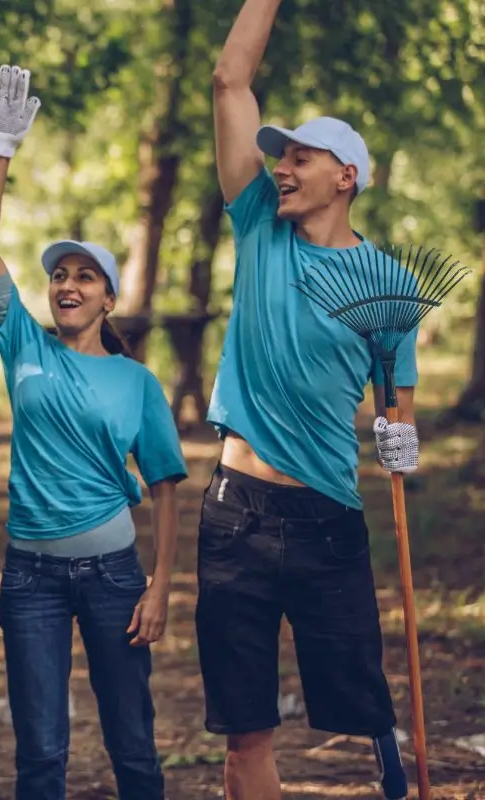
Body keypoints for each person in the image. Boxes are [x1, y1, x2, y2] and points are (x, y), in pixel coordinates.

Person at [202, 1, 417, 798]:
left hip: (330, 520)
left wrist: (403, 440)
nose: (280, 168)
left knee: (364, 713)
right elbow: (230, 80)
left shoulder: (391, 285)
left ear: (347, 175)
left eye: (300, 156)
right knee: (244, 732)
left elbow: (400, 402)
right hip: (235, 515)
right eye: (277, 155)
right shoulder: (258, 223)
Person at [0, 64, 187, 800]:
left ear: (108, 297)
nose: (67, 284)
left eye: (84, 277)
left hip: (115, 578)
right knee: (41, 752)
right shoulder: (23, 344)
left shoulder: (137, 383)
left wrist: (159, 587)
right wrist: (2, 147)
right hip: (29, 578)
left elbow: (165, 489)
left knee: (133, 744)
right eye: (60, 274)